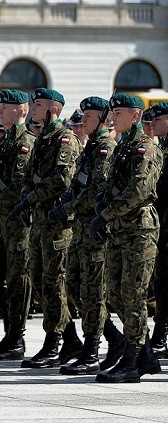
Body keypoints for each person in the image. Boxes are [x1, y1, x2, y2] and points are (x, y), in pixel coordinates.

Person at [10, 88, 83, 368]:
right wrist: (30, 192)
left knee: (54, 283)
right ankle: (70, 338)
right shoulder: (43, 139)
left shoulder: (64, 139)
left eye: (38, 105)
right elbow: (31, 175)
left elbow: (63, 179)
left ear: (54, 109)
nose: (33, 109)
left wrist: (33, 195)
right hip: (40, 220)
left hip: (56, 222)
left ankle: (54, 343)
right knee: (41, 281)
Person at [52, 96, 125, 375]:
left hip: (95, 232)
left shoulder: (106, 148)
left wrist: (66, 207)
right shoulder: (91, 148)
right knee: (74, 286)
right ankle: (113, 339)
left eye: (89, 116)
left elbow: (94, 192)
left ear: (103, 119)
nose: (83, 121)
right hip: (81, 231)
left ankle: (93, 349)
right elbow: (77, 185)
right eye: (82, 116)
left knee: (93, 291)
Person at [93, 93, 162, 383]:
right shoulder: (122, 149)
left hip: (139, 230)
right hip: (121, 229)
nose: (113, 118)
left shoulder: (145, 148)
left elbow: (138, 191)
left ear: (135, 116)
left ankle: (133, 361)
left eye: (119, 113)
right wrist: (101, 203)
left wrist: (105, 214)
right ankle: (143, 352)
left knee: (134, 294)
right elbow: (113, 184)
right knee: (116, 293)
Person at [0, 89, 35, 361]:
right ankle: (10, 329)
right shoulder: (4, 142)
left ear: (21, 110)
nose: (0, 112)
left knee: (17, 280)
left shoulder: (26, 142)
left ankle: (16, 336)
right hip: (0, 221)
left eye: (6, 107)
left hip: (18, 222)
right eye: (0, 107)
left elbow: (19, 184)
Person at [149, 102, 168, 357]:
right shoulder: (160, 148)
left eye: (158, 119)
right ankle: (161, 333)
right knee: (162, 282)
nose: (152, 124)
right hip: (162, 225)